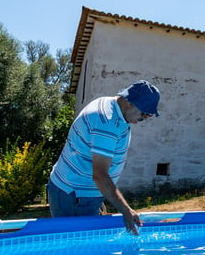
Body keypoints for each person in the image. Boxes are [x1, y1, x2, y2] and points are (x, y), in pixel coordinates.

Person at [47, 80, 161, 235]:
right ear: (129, 102)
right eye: (143, 115)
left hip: (82, 193)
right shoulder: (106, 122)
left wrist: (98, 197)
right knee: (77, 250)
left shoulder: (112, 107)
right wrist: (126, 211)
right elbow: (100, 175)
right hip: (74, 195)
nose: (144, 119)